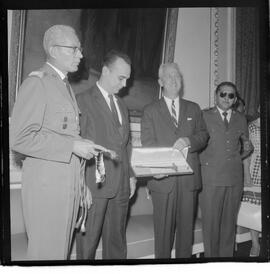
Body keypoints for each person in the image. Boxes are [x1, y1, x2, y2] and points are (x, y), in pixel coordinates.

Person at [10, 25, 105, 260]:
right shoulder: (37, 83)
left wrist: (81, 185)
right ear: (53, 50)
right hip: (47, 192)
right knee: (46, 258)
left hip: (66, 188)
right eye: (74, 49)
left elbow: (64, 136)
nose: (81, 55)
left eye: (79, 49)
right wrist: (72, 146)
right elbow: (19, 138)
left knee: (58, 257)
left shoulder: (64, 86)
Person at [140, 62, 209, 258]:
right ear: (160, 82)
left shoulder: (194, 108)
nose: (173, 80)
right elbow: (148, 144)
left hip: (189, 182)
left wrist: (189, 140)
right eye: (169, 77)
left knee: (186, 234)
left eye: (177, 76)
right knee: (162, 234)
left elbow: (203, 135)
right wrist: (162, 164)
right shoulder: (150, 110)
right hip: (163, 181)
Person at [75, 50, 137, 260]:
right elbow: (75, 146)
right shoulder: (82, 101)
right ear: (105, 71)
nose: (125, 84)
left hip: (121, 186)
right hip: (95, 186)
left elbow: (125, 145)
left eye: (127, 79)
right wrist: (81, 185)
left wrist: (131, 175)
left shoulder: (121, 105)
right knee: (88, 245)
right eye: (121, 78)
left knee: (117, 244)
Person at [200, 81, 252, 257]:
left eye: (231, 95)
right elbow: (197, 144)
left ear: (235, 99)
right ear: (216, 96)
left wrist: (238, 158)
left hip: (234, 179)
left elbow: (247, 145)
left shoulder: (240, 118)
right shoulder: (204, 116)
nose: (227, 98)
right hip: (211, 179)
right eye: (223, 94)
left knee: (229, 225)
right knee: (211, 225)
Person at [243, 106, 261, 256]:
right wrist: (246, 174)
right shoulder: (251, 126)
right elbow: (246, 153)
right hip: (256, 169)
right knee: (253, 207)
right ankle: (255, 244)